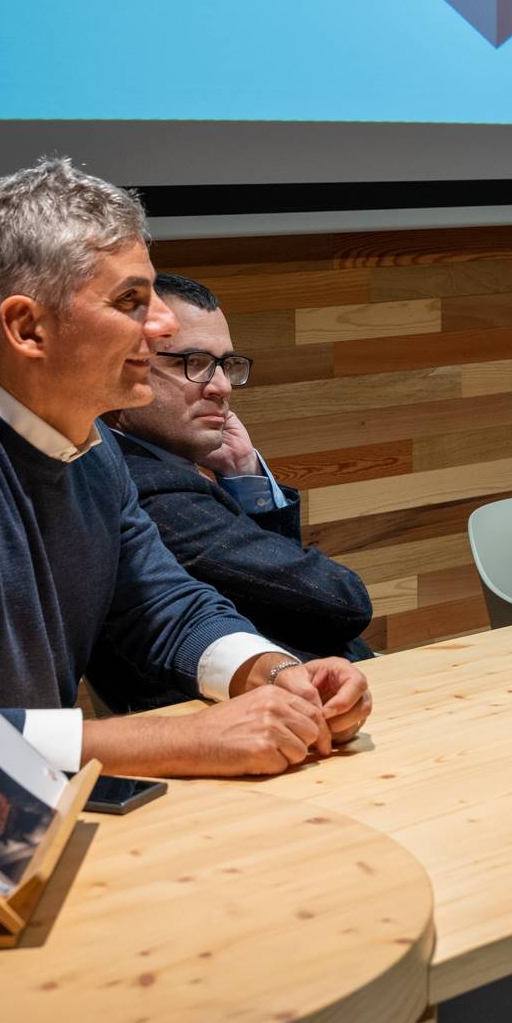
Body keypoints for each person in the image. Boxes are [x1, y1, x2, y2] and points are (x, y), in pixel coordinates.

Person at [0, 158, 371, 789]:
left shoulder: (90, 448)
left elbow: (163, 606)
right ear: (26, 327)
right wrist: (185, 738)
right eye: (130, 301)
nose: (163, 324)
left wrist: (277, 675)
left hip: (19, 814)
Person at [102, 273, 374, 714]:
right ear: (125, 364)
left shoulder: (164, 470)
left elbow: (282, 599)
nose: (222, 387)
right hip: (231, 717)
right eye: (192, 362)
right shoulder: (148, 489)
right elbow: (338, 603)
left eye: (225, 365)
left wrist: (244, 473)